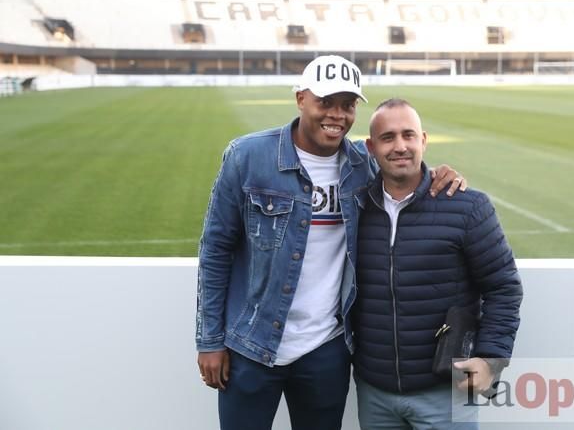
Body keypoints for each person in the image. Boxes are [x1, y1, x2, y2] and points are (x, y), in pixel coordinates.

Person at [195, 56, 466, 430]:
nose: (337, 115)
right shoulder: (247, 157)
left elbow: (404, 174)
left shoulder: (361, 164)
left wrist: (437, 173)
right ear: (301, 98)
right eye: (326, 102)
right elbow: (215, 250)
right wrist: (210, 340)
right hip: (251, 345)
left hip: (326, 349)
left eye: (348, 104)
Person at [352, 98, 523, 429]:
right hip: (374, 393)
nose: (400, 146)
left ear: (424, 140)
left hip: (444, 393)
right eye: (388, 138)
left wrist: (490, 360)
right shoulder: (355, 208)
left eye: (408, 135)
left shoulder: (467, 207)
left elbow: (503, 286)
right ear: (371, 147)